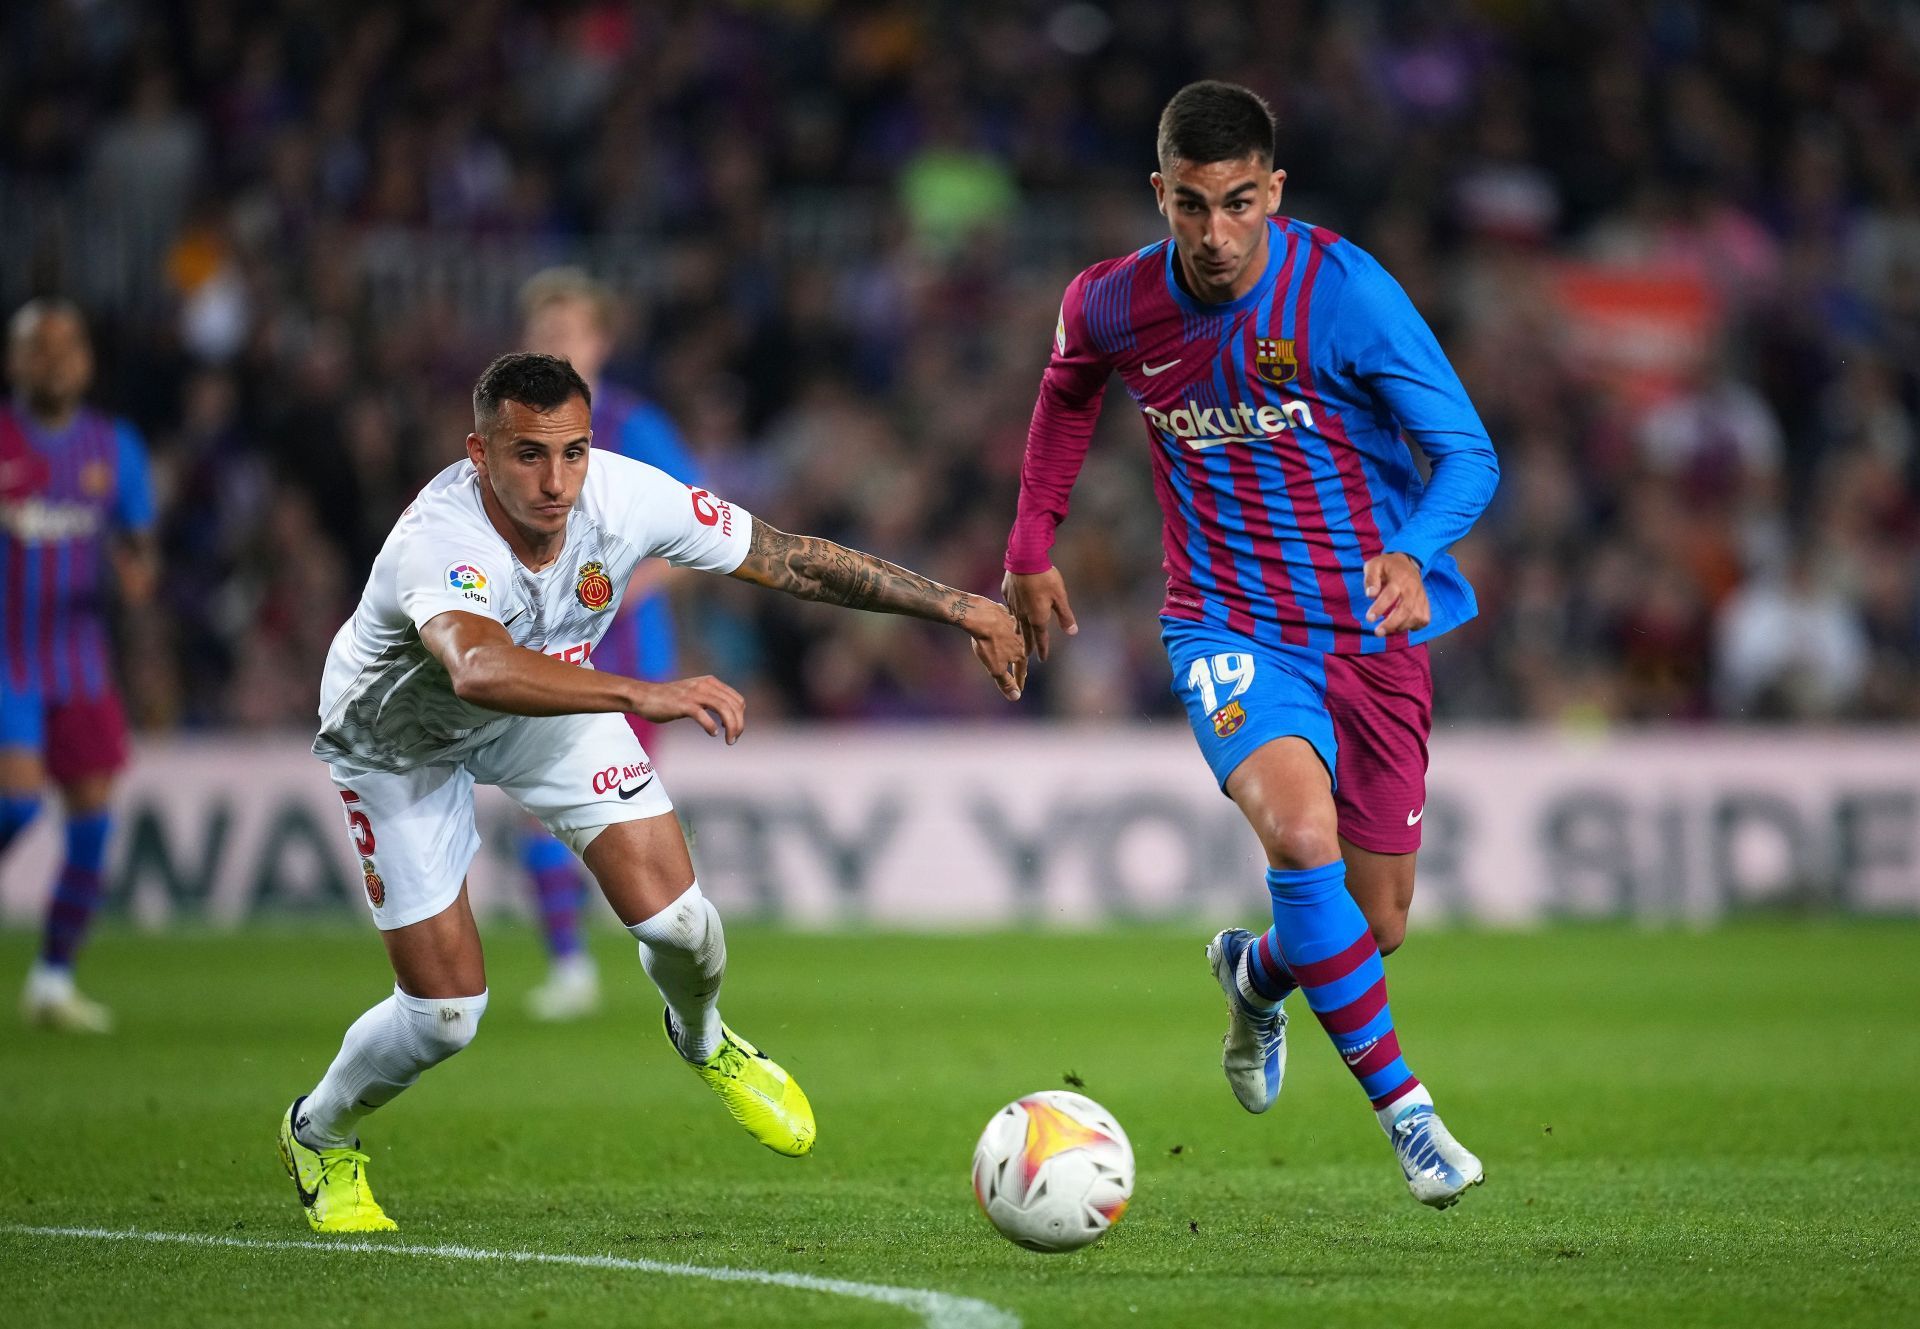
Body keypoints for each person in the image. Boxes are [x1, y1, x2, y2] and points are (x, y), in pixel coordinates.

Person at [279, 352, 1024, 1233]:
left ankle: (703, 1037)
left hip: (551, 700)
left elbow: (789, 561)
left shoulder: (629, 496)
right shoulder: (439, 539)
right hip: (399, 741)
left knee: (679, 922)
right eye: (527, 455)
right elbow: (477, 666)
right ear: (477, 454)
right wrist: (641, 692)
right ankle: (319, 1132)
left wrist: (958, 606)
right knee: (445, 1016)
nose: (556, 480)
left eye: (573, 451)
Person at [1001, 82, 1499, 1208]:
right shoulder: (1113, 301)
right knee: (1297, 830)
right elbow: (1068, 386)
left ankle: (1255, 970)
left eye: (1237, 204)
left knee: (1372, 923)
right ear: (1159, 196)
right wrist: (1031, 543)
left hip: (1367, 632)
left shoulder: (1346, 294)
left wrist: (1414, 550)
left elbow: (1468, 453)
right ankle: (1412, 1122)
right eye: (1190, 206)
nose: (1215, 235)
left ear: (1274, 191)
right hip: (1225, 623)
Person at [514, 268, 706, 1021]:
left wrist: (625, 584)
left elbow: (698, 534)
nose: (557, 345)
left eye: (570, 332)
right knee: (542, 811)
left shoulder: (637, 427)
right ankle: (569, 966)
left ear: (599, 342)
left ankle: (673, 963)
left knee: (625, 824)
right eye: (545, 333)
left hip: (633, 659)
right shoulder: (507, 438)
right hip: (541, 656)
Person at [0, 299, 157, 1034]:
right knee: (18, 803)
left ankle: (53, 979)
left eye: (67, 347)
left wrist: (136, 579)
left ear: (87, 362)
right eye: (38, 347)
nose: (54, 360)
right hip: (9, 659)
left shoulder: (113, 446)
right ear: (15, 361)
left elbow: (138, 549)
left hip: (83, 661)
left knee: (92, 825)